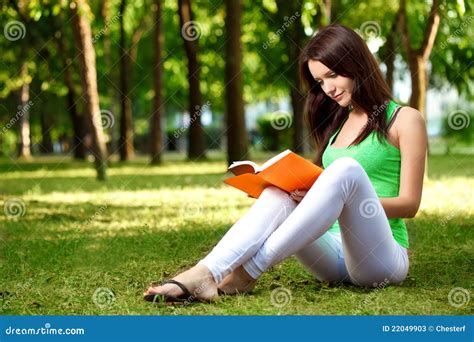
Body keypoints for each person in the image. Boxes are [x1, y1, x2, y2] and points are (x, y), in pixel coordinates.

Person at [143, 23, 427, 304]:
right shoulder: (338, 123)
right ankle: (206, 272)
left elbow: (410, 204)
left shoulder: (404, 119)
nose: (328, 89)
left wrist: (343, 204)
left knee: (345, 170)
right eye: (320, 81)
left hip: (380, 260)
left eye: (332, 75)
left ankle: (247, 273)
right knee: (279, 191)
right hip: (331, 258)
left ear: (356, 64)